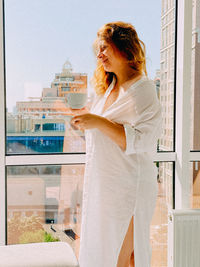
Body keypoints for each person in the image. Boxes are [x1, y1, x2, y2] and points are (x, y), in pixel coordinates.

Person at [71, 21, 162, 267]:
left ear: (124, 48)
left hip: (130, 185)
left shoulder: (142, 89)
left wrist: (98, 122)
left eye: (105, 48)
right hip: (107, 184)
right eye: (98, 50)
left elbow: (143, 139)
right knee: (109, 253)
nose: (99, 55)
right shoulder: (108, 87)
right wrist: (85, 120)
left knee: (123, 257)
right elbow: (102, 129)